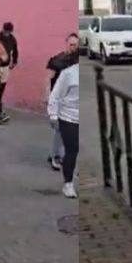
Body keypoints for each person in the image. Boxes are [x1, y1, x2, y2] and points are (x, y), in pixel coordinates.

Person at [45, 34, 80, 171]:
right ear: (66, 44)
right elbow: (48, 79)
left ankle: (60, 154)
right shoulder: (57, 60)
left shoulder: (76, 62)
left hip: (72, 101)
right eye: (71, 44)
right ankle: (56, 156)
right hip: (58, 98)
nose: (73, 47)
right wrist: (47, 96)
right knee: (59, 130)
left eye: (76, 45)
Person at [48, 56, 79, 199]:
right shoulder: (68, 73)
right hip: (68, 116)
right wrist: (53, 115)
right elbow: (55, 95)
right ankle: (68, 183)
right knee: (72, 149)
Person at [0, 22, 19, 122]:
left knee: (1, 89)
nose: (7, 33)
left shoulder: (12, 39)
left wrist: (14, 62)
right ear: (3, 30)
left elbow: (15, 51)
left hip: (5, 67)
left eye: (9, 32)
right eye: (6, 31)